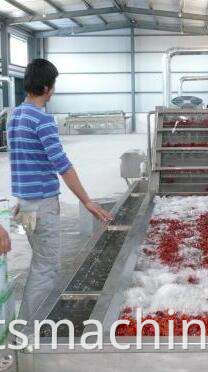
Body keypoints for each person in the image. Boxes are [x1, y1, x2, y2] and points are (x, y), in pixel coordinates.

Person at [8, 59, 113, 323]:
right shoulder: (42, 120)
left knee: (39, 262)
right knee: (46, 268)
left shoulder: (14, 115)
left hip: (23, 203)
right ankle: (27, 331)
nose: (54, 90)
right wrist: (87, 201)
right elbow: (63, 166)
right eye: (53, 85)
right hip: (42, 205)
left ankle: (27, 324)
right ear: (46, 87)